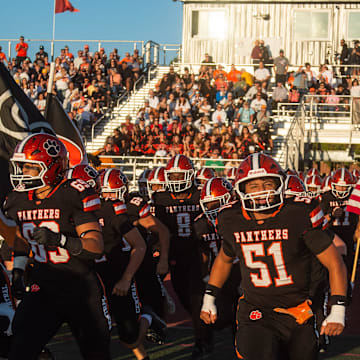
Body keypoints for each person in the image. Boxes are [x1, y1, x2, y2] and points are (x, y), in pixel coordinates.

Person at [200, 153, 347, 360]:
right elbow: (225, 258)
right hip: (256, 311)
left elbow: (334, 262)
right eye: (253, 186)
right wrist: (209, 297)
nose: (261, 191)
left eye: (267, 183)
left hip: (299, 311)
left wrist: (338, 307)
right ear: (241, 189)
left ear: (279, 184)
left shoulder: (297, 213)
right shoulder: (231, 218)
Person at [3, 133, 111, 359]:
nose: (23, 173)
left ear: (51, 166)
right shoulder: (18, 199)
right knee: (20, 348)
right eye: (22, 167)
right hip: (44, 286)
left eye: (30, 167)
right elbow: (23, 239)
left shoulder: (72, 192)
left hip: (79, 287)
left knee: (96, 354)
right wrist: (19, 272)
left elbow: (95, 245)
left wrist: (59, 240)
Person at [152, 155, 212, 358]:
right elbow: (158, 230)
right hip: (175, 255)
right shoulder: (160, 198)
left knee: (196, 298)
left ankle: (201, 340)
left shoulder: (201, 194)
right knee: (182, 296)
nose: (177, 179)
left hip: (197, 253)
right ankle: (201, 329)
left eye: (180, 175)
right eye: (173, 175)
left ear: (190, 175)